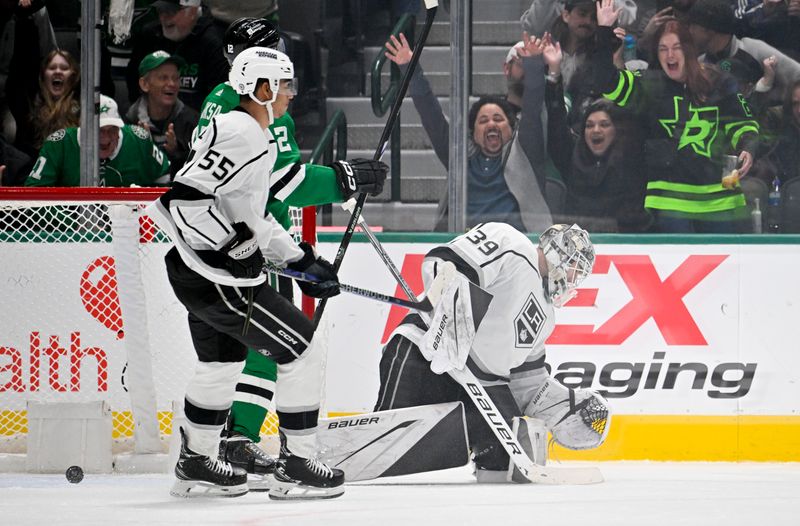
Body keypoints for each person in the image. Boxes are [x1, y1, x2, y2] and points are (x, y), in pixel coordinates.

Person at [196, 17, 387, 491]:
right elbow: (283, 184)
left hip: (219, 245)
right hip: (244, 247)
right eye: (272, 54)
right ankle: (278, 455)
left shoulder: (223, 102)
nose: (283, 66)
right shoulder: (251, 113)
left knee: (232, 355)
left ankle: (214, 449)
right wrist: (342, 178)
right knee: (290, 346)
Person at [147, 47, 345, 500]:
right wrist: (230, 245)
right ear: (262, 88)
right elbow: (181, 200)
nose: (292, 95)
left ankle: (196, 461)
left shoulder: (246, 132)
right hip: (219, 279)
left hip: (195, 270)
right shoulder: (242, 133)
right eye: (286, 84)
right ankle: (296, 465)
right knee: (303, 349)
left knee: (222, 364)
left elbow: (253, 217)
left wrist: (300, 261)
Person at [375, 222, 611, 483]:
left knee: (509, 461)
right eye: (573, 267)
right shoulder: (512, 244)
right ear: (558, 251)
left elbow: (527, 383)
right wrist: (448, 321)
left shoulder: (547, 318)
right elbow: (446, 263)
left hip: (477, 385)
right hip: (424, 353)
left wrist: (561, 405)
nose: (571, 278)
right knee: (381, 450)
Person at [592, 0, 760, 233]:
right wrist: (603, 34)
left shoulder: (720, 82)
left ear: (689, 50)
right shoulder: (649, 84)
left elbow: (744, 125)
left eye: (676, 47)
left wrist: (747, 147)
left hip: (720, 202)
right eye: (663, 48)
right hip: (668, 203)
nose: (669, 55)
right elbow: (604, 81)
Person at [385, 32, 552, 232]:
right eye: (483, 120)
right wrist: (411, 69)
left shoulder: (525, 150)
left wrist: (533, 64)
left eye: (498, 119)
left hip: (515, 247)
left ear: (512, 127)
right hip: (463, 247)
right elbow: (432, 116)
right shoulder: (460, 155)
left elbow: (532, 108)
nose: (491, 124)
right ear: (473, 133)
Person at [542, 35, 651, 232]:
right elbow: (556, 125)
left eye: (604, 124)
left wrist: (605, 36)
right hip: (578, 250)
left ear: (616, 130)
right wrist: (554, 74)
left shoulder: (630, 158)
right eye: (589, 125)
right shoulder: (572, 157)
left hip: (625, 250)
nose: (596, 130)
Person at [25, 94, 170, 187]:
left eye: (112, 129)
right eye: (98, 130)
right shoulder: (58, 144)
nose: (105, 138)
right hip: (72, 232)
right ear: (82, 127)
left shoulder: (139, 139)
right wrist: (73, 223)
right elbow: (32, 194)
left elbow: (165, 175)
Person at [684, 0, 800, 105]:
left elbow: (797, 75)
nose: (689, 31)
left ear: (709, 29)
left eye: (693, 26)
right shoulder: (701, 63)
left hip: (770, 123)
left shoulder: (753, 49)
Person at [125, 0, 229, 111]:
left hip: (196, 122)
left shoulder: (214, 43)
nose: (164, 17)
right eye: (160, 11)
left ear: (193, 11)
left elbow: (220, 96)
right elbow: (134, 79)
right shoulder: (150, 36)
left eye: (171, 11)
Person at [125, 50, 199, 178]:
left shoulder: (193, 122)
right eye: (163, 78)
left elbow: (199, 171)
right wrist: (143, 151)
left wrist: (176, 153)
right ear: (144, 84)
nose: (171, 84)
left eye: (175, 78)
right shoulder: (129, 123)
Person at [6, 49, 79, 159]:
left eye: (64, 68)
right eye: (52, 68)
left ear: (73, 76)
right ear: (44, 75)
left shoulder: (82, 111)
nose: (58, 71)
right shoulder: (31, 113)